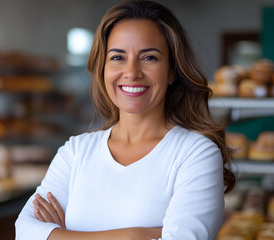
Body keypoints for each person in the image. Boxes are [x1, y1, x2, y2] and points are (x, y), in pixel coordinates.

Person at [15, 0, 236, 239]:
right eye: (118, 57)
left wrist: (62, 234)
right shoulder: (76, 152)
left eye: (149, 57)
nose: (131, 72)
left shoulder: (195, 153)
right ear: (103, 68)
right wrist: (137, 234)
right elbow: (25, 232)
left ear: (172, 70)